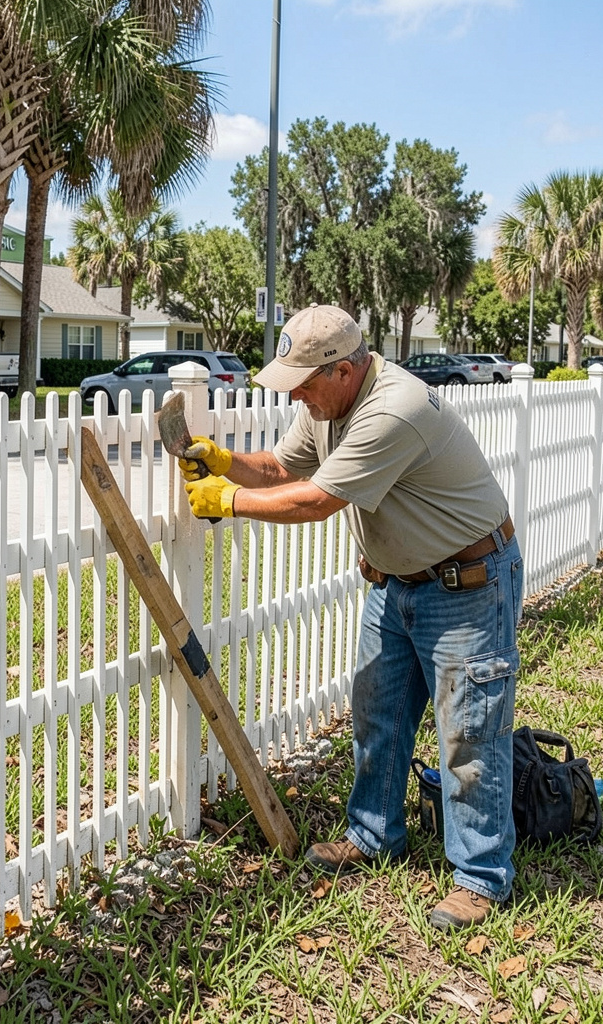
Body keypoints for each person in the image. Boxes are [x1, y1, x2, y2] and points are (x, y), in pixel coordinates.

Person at [177, 303, 523, 931]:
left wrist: (229, 502)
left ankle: (481, 878)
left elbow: (316, 501)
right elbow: (284, 469)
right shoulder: (328, 405)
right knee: (377, 713)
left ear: (343, 369)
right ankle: (372, 836)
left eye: (306, 382)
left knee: (469, 733)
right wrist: (226, 462)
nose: (299, 396)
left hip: (468, 586)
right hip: (398, 583)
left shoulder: (394, 409)